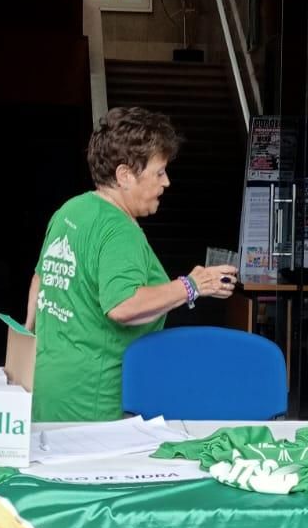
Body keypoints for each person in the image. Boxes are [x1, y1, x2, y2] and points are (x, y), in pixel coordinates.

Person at [24, 106, 238, 422]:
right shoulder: (119, 230)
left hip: (47, 381)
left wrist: (33, 340)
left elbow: (40, 281)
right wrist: (193, 286)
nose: (166, 182)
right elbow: (122, 306)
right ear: (125, 175)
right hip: (92, 398)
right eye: (159, 172)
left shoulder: (71, 211)